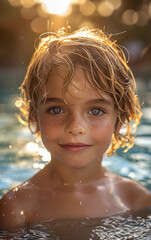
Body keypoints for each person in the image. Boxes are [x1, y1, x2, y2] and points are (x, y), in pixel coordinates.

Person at [0, 27, 151, 230]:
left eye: (96, 111)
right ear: (35, 117)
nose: (75, 127)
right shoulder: (17, 209)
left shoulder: (135, 199)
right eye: (56, 110)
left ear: (119, 120)